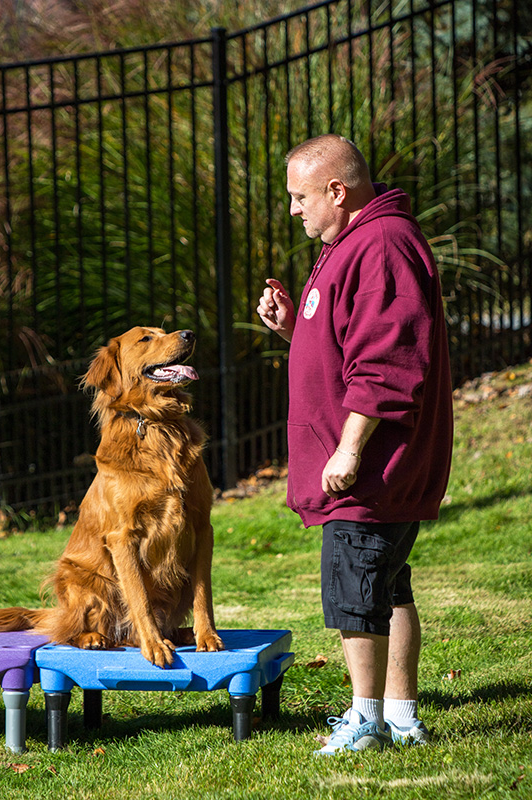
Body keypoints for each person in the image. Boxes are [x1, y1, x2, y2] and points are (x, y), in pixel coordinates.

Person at [256, 134, 453, 755]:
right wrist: (297, 329)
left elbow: (389, 365)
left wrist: (348, 451)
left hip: (371, 468)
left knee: (356, 591)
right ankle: (399, 715)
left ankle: (365, 721)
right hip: (370, 465)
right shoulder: (354, 241)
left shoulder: (381, 244)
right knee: (389, 586)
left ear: (337, 192)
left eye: (300, 195)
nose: (294, 209)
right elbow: (347, 348)